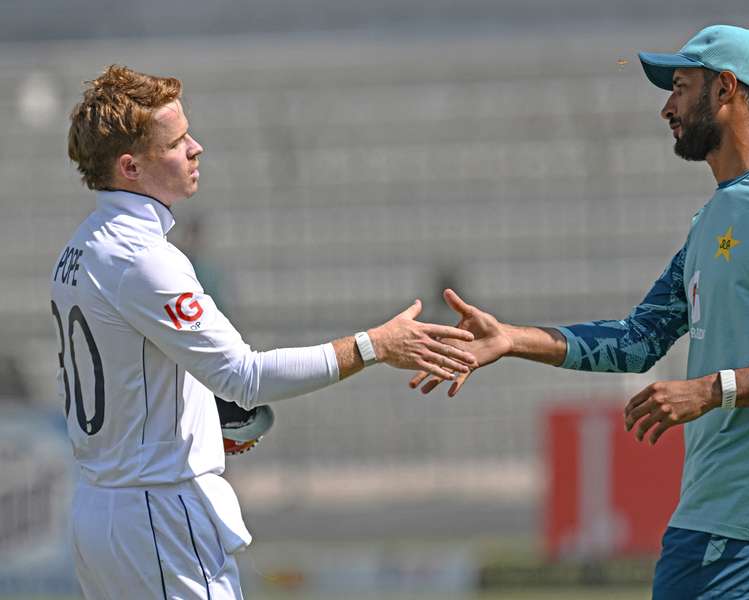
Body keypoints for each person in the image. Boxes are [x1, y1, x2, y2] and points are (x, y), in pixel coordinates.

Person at [411, 25, 749, 598]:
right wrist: (509, 339)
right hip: (742, 522)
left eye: (679, 87)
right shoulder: (714, 219)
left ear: (725, 88)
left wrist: (712, 390)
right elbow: (638, 339)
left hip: (746, 527)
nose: (666, 108)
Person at [52, 64, 477, 599]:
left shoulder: (80, 246)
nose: (195, 147)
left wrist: (197, 424)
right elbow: (245, 377)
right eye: (177, 141)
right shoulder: (144, 258)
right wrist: (375, 346)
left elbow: (128, 376)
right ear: (131, 166)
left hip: (101, 507)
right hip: (156, 513)